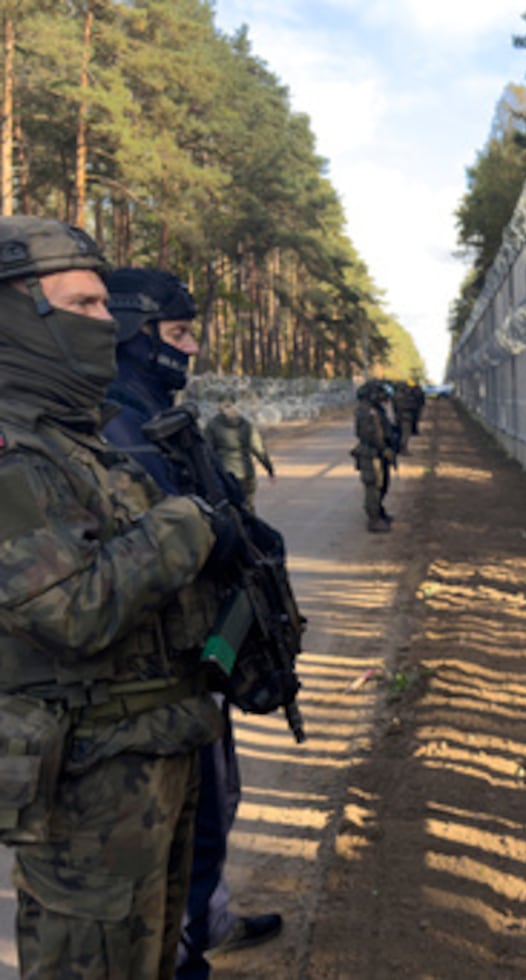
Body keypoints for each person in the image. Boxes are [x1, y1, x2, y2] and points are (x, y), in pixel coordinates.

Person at [0, 216, 224, 977]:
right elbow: (73, 606)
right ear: (17, 313)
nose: (108, 324)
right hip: (87, 780)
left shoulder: (76, 437)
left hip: (149, 753)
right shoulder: (11, 452)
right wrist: (190, 525)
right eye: (85, 306)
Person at [101, 267, 283, 978]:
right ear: (132, 333)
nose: (191, 351)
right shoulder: (111, 421)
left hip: (189, 661)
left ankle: (208, 922)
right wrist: (218, 532)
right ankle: (187, 953)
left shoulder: (154, 414)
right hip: (150, 679)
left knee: (211, 809)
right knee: (178, 836)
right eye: (178, 335)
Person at [204, 396, 275, 511]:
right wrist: (269, 469)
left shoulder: (212, 426)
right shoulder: (247, 425)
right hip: (246, 472)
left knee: (229, 509)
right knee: (248, 506)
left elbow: (207, 451)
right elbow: (258, 449)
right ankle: (250, 526)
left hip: (225, 473)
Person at [353, 379, 397, 532]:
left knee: (383, 484)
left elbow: (385, 428)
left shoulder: (376, 408)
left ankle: (378, 511)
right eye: (380, 393)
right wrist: (383, 448)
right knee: (373, 486)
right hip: (371, 453)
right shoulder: (366, 411)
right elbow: (371, 433)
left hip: (379, 452)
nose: (383, 397)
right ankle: (374, 519)